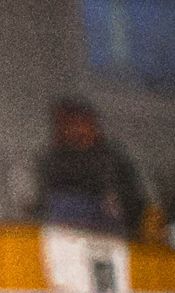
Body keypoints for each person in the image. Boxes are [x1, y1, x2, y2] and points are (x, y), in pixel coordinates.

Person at [31, 98, 147, 238]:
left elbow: (131, 203)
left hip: (107, 237)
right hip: (63, 238)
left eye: (75, 123)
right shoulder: (51, 161)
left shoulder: (111, 160)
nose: (70, 130)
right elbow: (40, 206)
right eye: (64, 125)